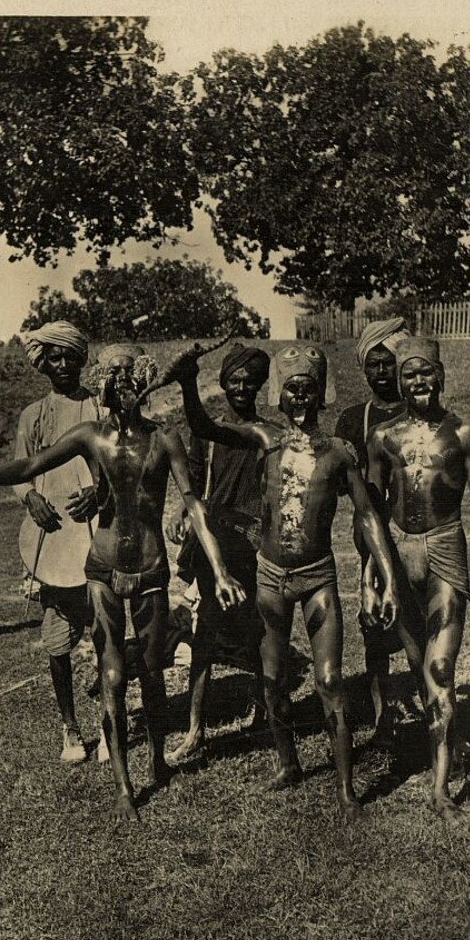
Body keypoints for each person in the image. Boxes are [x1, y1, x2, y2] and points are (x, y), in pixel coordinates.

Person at [0, 344, 245, 822]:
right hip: (100, 569)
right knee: (112, 674)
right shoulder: (88, 436)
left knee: (150, 671)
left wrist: (221, 570)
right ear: (102, 381)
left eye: (130, 375)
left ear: (145, 379)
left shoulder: (165, 439)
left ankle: (158, 760)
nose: (122, 384)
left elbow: (195, 504)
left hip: (149, 573)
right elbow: (27, 468)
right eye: (114, 376)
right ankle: (125, 785)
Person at [164, 342, 399, 821]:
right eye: (291, 388)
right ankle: (289, 765)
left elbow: (368, 516)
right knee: (271, 682)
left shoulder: (338, 453)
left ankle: (347, 790)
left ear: (319, 395)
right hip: (271, 577)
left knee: (330, 681)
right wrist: (189, 382)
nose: (299, 397)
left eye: (307, 389)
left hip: (317, 578)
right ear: (281, 394)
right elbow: (207, 427)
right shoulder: (263, 439)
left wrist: (388, 578)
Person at [363, 337, 470, 821]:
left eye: (426, 373)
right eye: (409, 374)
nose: (418, 382)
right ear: (399, 381)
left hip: (446, 552)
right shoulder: (382, 437)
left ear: (440, 376)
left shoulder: (464, 433)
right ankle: (445, 743)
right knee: (417, 661)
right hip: (399, 560)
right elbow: (374, 513)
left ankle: (439, 789)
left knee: (441, 671)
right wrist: (372, 575)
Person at [165, 344, 270, 761]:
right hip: (214, 545)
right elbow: (191, 477)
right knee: (204, 635)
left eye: (249, 379)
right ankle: (195, 731)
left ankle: (266, 716)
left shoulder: (267, 433)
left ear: (260, 383)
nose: (242, 386)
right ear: (224, 384)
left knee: (259, 633)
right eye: (234, 380)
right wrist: (181, 511)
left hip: (253, 546)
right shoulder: (208, 433)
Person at [14, 320, 99, 764]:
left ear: (82, 359)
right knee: (58, 640)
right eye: (54, 357)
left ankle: (110, 722)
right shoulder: (33, 415)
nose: (63, 364)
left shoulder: (99, 408)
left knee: (107, 633)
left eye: (70, 355)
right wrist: (31, 499)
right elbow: (21, 470)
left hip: (96, 534)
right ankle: (71, 728)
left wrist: (98, 492)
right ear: (42, 363)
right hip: (54, 541)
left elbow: (116, 462)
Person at [334, 317, 410, 746]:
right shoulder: (352, 419)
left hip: (413, 531)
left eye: (389, 363)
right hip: (371, 534)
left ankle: (429, 705)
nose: (381, 372)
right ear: (364, 369)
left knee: (416, 621)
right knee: (375, 627)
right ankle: (383, 717)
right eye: (374, 365)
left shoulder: (415, 410)